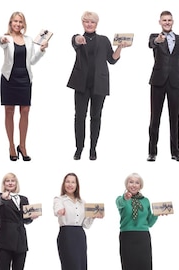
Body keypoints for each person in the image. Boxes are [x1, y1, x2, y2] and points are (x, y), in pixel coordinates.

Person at [67, 11, 126, 161]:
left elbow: (112, 60)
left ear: (96, 24)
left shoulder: (104, 40)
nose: (89, 24)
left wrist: (120, 48)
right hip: (81, 84)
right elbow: (75, 41)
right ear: (82, 23)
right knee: (79, 117)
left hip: (99, 83)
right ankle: (79, 148)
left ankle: (93, 149)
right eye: (86, 21)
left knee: (96, 116)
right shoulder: (78, 38)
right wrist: (78, 39)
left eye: (92, 22)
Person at [146, 10, 179, 162]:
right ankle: (152, 152)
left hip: (175, 82)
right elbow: (151, 44)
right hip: (158, 81)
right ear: (160, 22)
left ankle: (176, 152)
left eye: (169, 20)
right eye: (164, 20)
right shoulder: (155, 37)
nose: (167, 22)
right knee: (155, 117)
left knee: (175, 118)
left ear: (172, 22)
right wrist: (158, 40)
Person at [53, 173, 103, 270]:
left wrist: (94, 216)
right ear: (64, 184)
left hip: (79, 235)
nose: (70, 184)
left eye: (73, 182)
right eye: (67, 182)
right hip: (66, 235)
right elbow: (57, 210)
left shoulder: (82, 202)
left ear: (77, 185)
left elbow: (86, 224)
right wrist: (60, 212)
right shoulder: (59, 199)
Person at [0, 12, 47, 161]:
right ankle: (11, 146)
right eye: (15, 21)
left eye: (20, 22)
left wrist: (41, 50)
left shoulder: (28, 40)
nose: (18, 24)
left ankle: (23, 145)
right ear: (10, 22)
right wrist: (2, 40)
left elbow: (32, 61)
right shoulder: (6, 38)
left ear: (23, 24)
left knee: (25, 112)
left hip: (25, 79)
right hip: (9, 78)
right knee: (9, 111)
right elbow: (1, 43)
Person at [116, 173, 158, 270]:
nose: (133, 185)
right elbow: (120, 204)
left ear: (141, 185)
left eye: (137, 183)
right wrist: (125, 198)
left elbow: (149, 222)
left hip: (143, 237)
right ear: (126, 184)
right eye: (131, 182)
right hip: (127, 237)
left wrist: (158, 214)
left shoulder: (146, 201)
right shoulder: (121, 199)